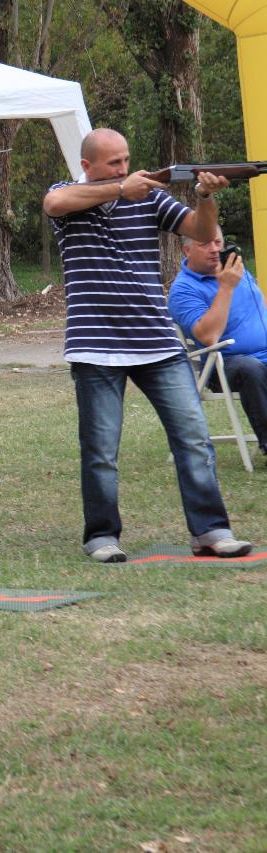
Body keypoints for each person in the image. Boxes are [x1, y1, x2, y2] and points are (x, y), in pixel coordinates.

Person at [43, 127, 252, 563]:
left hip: (156, 341)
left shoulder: (152, 199)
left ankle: (211, 531)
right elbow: (53, 204)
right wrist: (120, 188)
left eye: (126, 159)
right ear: (87, 166)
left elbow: (199, 229)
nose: (123, 167)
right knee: (101, 451)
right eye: (113, 162)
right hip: (94, 346)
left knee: (194, 439)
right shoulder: (67, 193)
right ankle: (102, 536)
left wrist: (206, 196)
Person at [168, 229, 267, 455]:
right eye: (204, 243)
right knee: (251, 368)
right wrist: (226, 287)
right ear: (187, 250)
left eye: (218, 242)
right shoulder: (183, 289)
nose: (214, 249)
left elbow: (260, 305)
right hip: (225, 365)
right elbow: (208, 336)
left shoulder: (235, 271)